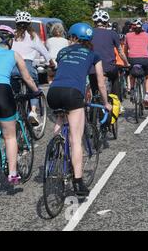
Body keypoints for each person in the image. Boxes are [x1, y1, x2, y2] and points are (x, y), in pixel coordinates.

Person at [47, 23, 112, 196]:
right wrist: (106, 103)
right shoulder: (93, 55)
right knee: (76, 139)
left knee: (61, 119)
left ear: (74, 37)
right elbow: (100, 83)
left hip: (53, 93)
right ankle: (78, 182)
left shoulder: (62, 53)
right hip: (73, 93)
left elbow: (60, 71)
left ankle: (56, 147)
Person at [0, 25, 40, 185]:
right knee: (9, 136)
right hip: (2, 92)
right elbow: (27, 78)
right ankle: (13, 174)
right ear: (9, 41)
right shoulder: (14, 54)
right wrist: (36, 92)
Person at [11, 11, 55, 126]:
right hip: (27, 67)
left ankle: (14, 111)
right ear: (29, 23)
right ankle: (33, 112)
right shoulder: (33, 36)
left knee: (14, 92)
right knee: (33, 89)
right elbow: (44, 52)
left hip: (12, 68)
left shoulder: (12, 35)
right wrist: (51, 63)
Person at [90, 9, 130, 101]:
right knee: (115, 79)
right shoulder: (112, 33)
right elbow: (120, 51)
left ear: (94, 22)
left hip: (93, 68)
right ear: (107, 22)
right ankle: (116, 103)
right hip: (109, 67)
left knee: (94, 85)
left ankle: (93, 103)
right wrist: (126, 63)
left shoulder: (89, 33)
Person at [125, 18, 148, 110]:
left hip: (132, 59)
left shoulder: (127, 35)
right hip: (145, 60)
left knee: (131, 74)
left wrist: (126, 60)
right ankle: (146, 95)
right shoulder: (147, 35)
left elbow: (125, 50)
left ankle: (131, 90)